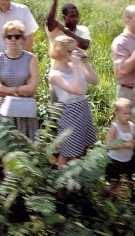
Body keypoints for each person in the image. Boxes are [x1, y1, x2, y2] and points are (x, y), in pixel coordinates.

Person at [49, 35, 99, 169]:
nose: (73, 54)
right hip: (69, 112)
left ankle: (79, 180)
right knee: (67, 152)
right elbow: (78, 89)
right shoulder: (55, 74)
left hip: (82, 108)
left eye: (74, 51)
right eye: (70, 52)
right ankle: (60, 184)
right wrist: (77, 65)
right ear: (60, 52)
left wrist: (85, 62)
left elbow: (94, 81)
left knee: (83, 149)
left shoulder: (75, 66)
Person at [0, 21, 39, 148]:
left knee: (26, 150)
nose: (13, 39)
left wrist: (7, 89)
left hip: (24, 109)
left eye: (17, 36)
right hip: (4, 110)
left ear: (22, 39)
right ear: (4, 39)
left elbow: (33, 88)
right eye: (9, 36)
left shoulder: (31, 58)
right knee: (6, 150)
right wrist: (21, 90)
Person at [105, 98, 135, 199]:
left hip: (128, 160)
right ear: (117, 113)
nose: (128, 116)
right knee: (114, 182)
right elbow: (107, 144)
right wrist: (123, 145)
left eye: (129, 113)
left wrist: (134, 143)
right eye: (125, 114)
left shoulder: (132, 126)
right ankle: (109, 199)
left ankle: (116, 199)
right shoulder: (115, 127)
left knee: (123, 181)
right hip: (115, 160)